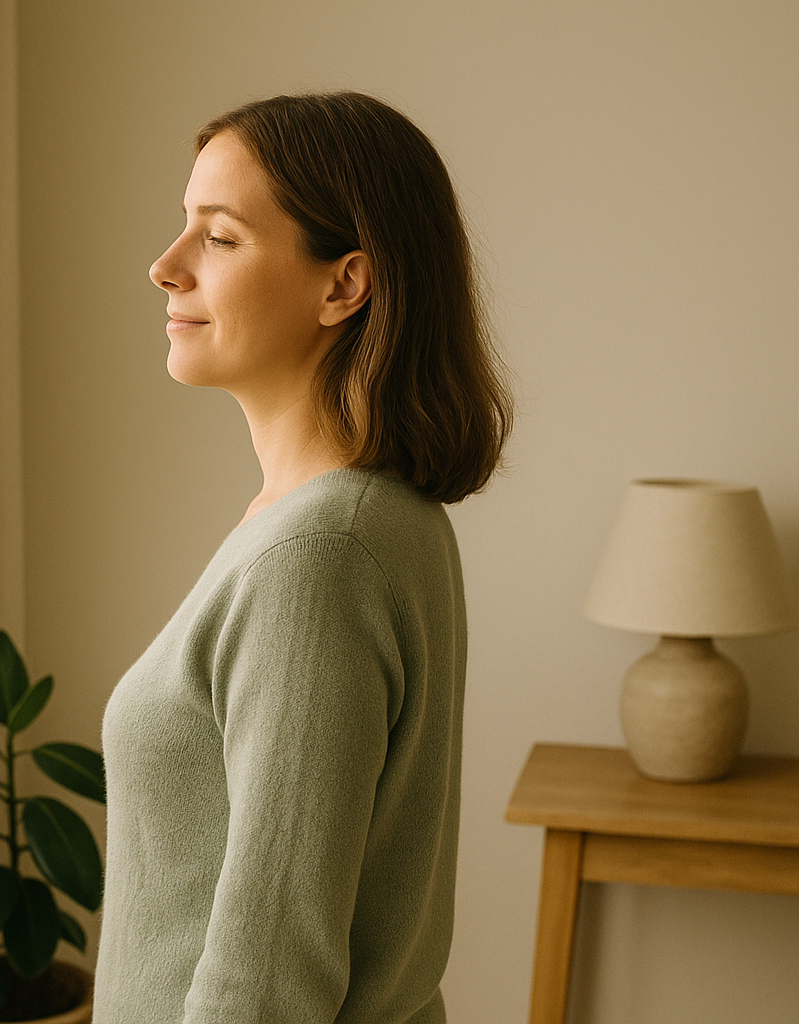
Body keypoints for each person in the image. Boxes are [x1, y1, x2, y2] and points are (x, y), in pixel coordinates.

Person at [95, 92, 512, 1024]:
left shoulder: (318, 555)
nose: (165, 268)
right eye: (184, 229)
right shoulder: (372, 519)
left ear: (342, 285)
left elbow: (268, 985)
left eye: (221, 238)